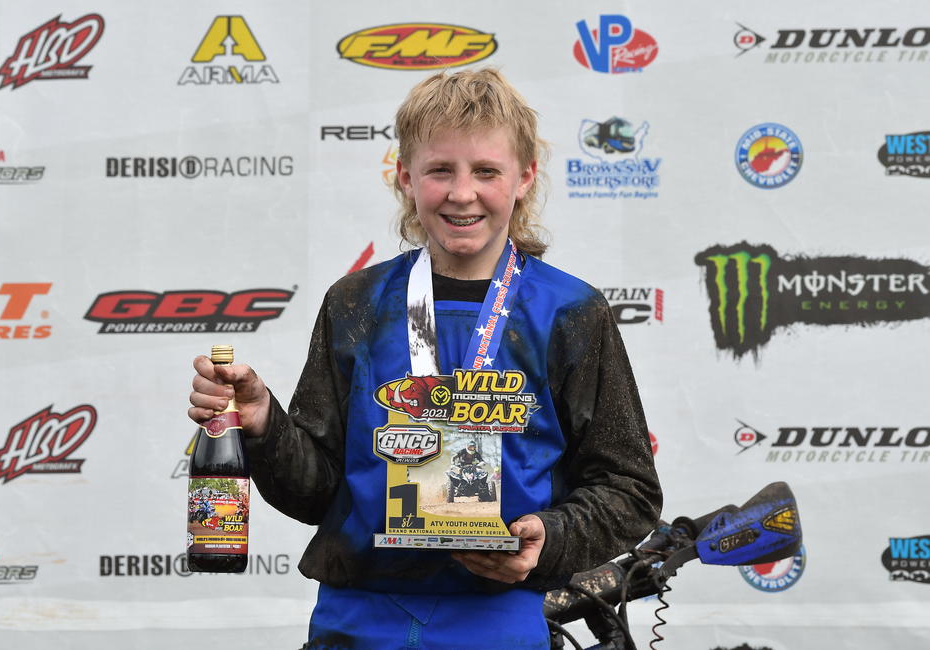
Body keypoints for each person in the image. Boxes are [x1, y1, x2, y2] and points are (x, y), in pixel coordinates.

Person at [188, 68, 662, 649]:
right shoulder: (356, 303)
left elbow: (630, 490)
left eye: (486, 171)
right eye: (440, 170)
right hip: (358, 619)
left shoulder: (570, 311)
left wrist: (549, 537)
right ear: (406, 178)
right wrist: (263, 423)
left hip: (501, 619)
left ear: (525, 178)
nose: (462, 193)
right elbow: (316, 493)